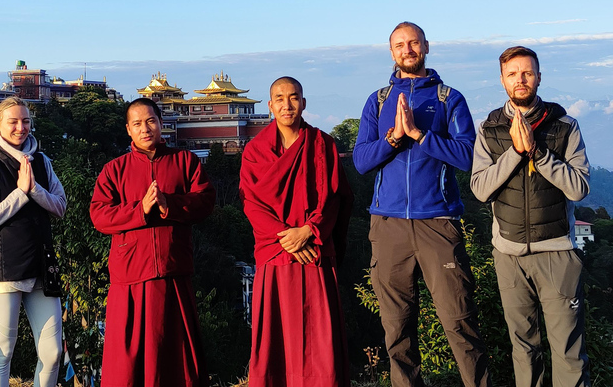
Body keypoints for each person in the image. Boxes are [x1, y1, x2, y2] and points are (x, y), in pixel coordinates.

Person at [353, 22, 491, 387]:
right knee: (396, 328)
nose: (407, 49)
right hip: (388, 225)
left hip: (438, 223)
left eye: (413, 42)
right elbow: (362, 161)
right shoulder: (378, 100)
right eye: (400, 44)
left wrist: (420, 135)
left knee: (459, 321)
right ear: (391, 51)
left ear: (426, 46)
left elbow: (467, 156)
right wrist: (395, 138)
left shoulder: (449, 99)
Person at [471, 46, 591, 386]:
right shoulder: (490, 128)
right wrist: (515, 152)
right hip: (508, 255)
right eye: (513, 74)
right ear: (502, 80)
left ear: (538, 76)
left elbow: (579, 188)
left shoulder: (565, 126)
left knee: (568, 352)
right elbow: (480, 189)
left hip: (556, 253)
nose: (520, 80)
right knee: (523, 350)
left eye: (527, 73)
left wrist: (537, 152)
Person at [90, 98, 215, 387]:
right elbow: (99, 215)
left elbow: (205, 201)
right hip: (131, 275)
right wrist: (140, 210)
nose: (145, 129)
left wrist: (168, 203)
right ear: (128, 130)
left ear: (161, 124)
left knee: (177, 358)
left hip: (173, 272)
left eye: (150, 121)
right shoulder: (115, 169)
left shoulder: (185, 162)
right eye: (137, 124)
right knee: (128, 365)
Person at [240, 77, 352, 387]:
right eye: (280, 98)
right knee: (277, 338)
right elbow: (252, 203)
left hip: (314, 252)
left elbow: (334, 197)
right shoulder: (255, 150)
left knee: (319, 336)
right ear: (270, 105)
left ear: (303, 102)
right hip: (277, 254)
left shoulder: (322, 144)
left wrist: (309, 231)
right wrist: (288, 238)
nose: (287, 105)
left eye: (293, 97)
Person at [0, 96, 66, 387]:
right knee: (2, 354)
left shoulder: (42, 161)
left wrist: (34, 190)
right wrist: (20, 193)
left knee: (52, 353)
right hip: (2, 272)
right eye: (12, 121)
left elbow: (61, 206)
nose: (20, 128)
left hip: (41, 269)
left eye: (25, 121)